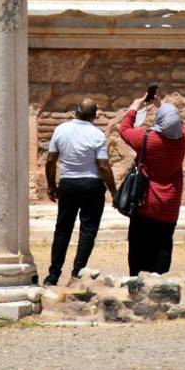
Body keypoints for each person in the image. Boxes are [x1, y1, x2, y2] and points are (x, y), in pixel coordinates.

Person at [44, 97, 117, 286]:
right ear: (94, 116)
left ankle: (53, 275)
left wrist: (51, 185)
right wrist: (114, 191)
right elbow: (103, 165)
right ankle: (76, 274)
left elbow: (51, 160)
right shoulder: (97, 134)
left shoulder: (61, 130)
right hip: (92, 185)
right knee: (88, 230)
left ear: (75, 111)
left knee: (62, 230)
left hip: (68, 184)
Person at [117, 91, 185, 276]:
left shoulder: (148, 139)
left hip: (146, 202)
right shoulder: (183, 139)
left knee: (138, 243)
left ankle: (136, 280)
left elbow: (124, 129)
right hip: (170, 203)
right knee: (164, 242)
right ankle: (160, 281)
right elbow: (178, 123)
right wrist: (160, 105)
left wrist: (135, 106)